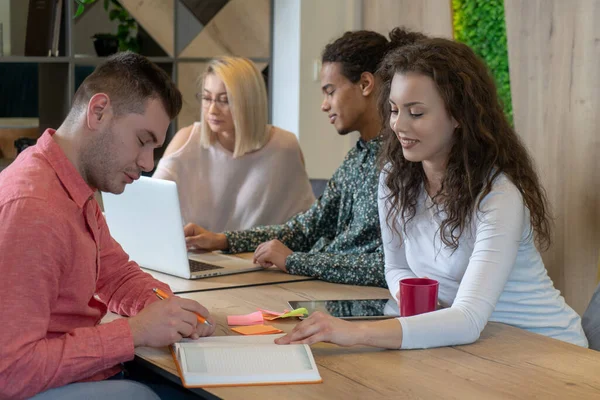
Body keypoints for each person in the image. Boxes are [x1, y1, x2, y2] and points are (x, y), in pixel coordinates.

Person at [275, 38, 588, 349]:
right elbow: (397, 268)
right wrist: (417, 310)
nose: (398, 125)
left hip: (546, 348)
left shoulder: (497, 196)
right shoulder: (392, 179)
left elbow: (467, 318)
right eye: (395, 110)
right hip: (467, 346)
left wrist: (354, 332)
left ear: (458, 116)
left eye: (416, 112)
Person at [0, 52, 216, 400]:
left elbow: (116, 275)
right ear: (98, 111)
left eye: (154, 148)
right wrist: (134, 332)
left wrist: (167, 308)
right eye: (142, 140)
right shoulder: (34, 209)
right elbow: (9, 370)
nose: (147, 163)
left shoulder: (69, 186)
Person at [184, 28, 427, 287]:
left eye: (330, 91)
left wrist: (294, 261)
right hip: (324, 287)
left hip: (358, 299)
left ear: (366, 84)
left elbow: (388, 265)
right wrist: (223, 240)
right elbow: (306, 228)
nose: (324, 104)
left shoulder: (404, 160)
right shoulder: (357, 158)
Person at [153, 56, 315, 232]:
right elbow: (150, 202)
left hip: (255, 257)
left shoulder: (285, 146)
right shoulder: (186, 141)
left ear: (249, 102)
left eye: (224, 100)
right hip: (194, 255)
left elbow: (306, 223)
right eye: (207, 98)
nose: (212, 110)